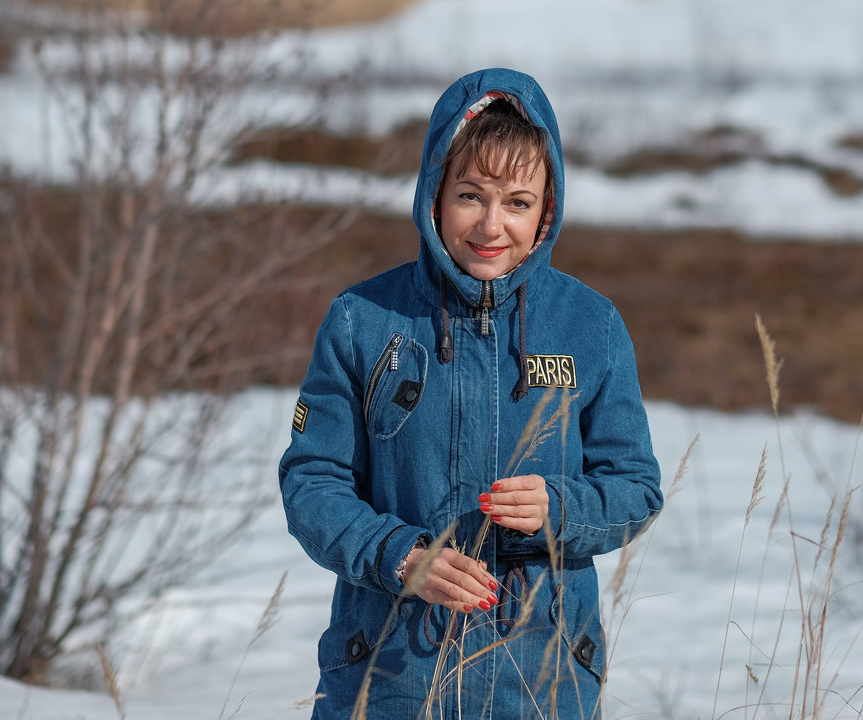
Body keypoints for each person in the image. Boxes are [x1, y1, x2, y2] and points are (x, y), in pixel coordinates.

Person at [278, 68, 664, 720]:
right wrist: (401, 556)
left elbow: (635, 486)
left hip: (541, 680)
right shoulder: (363, 320)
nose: (491, 225)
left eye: (517, 201)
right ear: (434, 193)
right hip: (392, 677)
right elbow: (313, 483)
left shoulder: (590, 326)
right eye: (470, 195)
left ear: (548, 206)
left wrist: (560, 506)